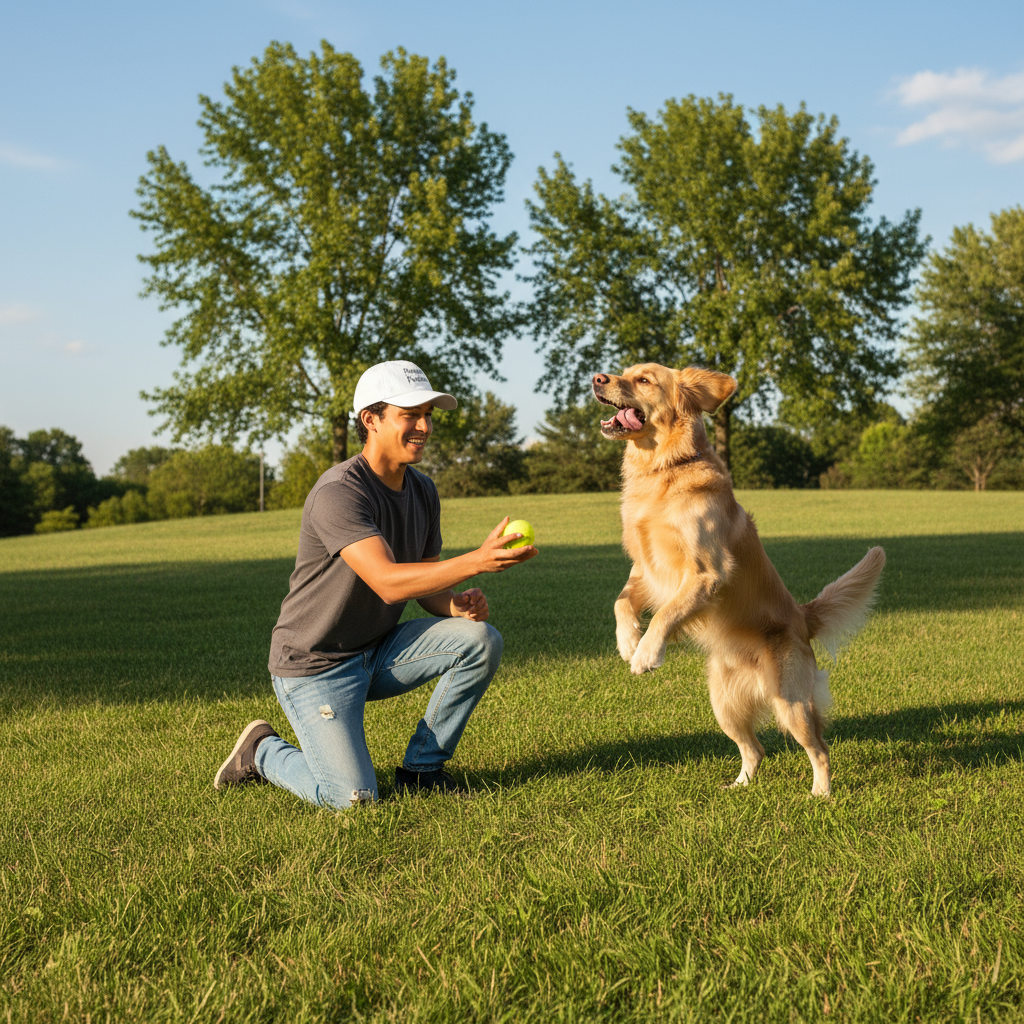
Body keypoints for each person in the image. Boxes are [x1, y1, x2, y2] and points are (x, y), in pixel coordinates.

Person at [213, 360, 537, 807]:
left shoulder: (423, 491)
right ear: (371, 419)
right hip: (314, 666)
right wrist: (476, 562)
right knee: (353, 798)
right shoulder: (339, 492)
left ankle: (423, 770)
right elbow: (387, 581)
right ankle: (262, 751)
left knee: (480, 639)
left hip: (378, 650)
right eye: (410, 415)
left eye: (428, 414)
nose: (424, 426)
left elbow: (423, 585)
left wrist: (454, 606)